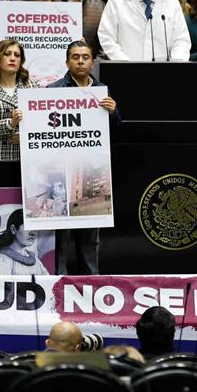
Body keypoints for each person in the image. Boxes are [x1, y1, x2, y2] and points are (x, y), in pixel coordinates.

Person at [47, 40, 120, 275]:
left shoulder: (102, 90)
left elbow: (116, 130)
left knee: (89, 236)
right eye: (75, 57)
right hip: (61, 173)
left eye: (85, 57)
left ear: (92, 62)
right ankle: (58, 282)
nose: (80, 61)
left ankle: (91, 282)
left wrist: (113, 112)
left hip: (92, 172)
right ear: (67, 62)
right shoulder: (52, 91)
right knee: (61, 237)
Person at [0, 39, 39, 187]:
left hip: (27, 160)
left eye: (17, 55)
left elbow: (42, 125)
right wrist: (10, 123)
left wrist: (25, 137)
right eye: (7, 54)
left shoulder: (33, 87)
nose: (12, 58)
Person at [0, 208, 47, 275]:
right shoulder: (2, 259)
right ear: (13, 229)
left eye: (33, 227)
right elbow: (1, 281)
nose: (33, 233)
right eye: (27, 227)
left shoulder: (35, 260)